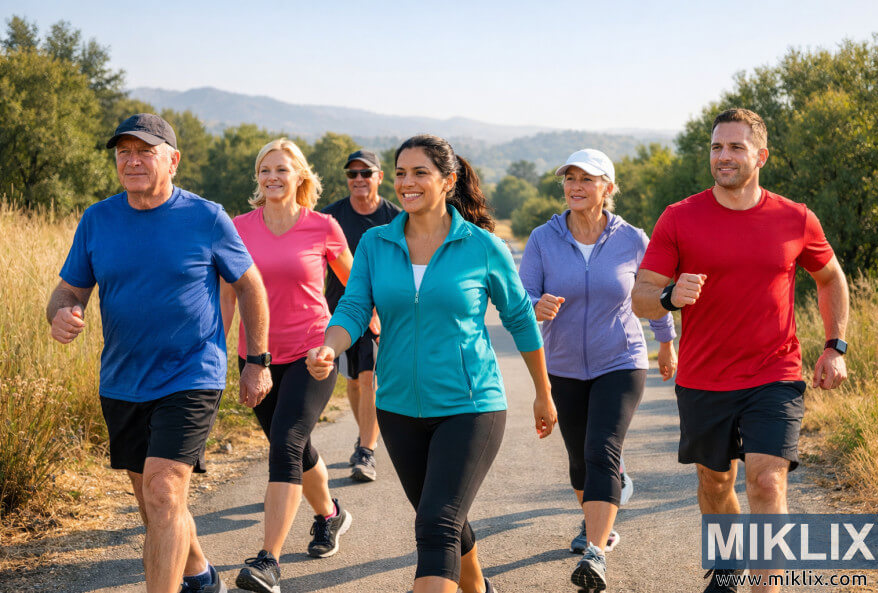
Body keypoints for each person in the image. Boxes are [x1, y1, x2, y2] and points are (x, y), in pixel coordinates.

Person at [306, 134, 558, 593]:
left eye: (420, 172)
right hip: (397, 407)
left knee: (436, 524)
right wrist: (330, 346)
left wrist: (543, 392)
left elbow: (521, 318)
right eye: (401, 173)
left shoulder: (482, 246)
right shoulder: (376, 243)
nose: (407, 182)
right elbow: (354, 308)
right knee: (442, 516)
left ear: (448, 181)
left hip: (470, 406)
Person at [48, 113, 272, 593]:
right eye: (123, 152)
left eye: (144, 152)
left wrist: (257, 361)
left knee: (164, 490)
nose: (131, 161)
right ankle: (199, 574)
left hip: (192, 373)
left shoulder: (206, 217)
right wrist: (62, 312)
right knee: (154, 503)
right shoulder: (97, 219)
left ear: (172, 160)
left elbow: (250, 286)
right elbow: (69, 289)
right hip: (123, 379)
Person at [631, 108, 849, 593]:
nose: (723, 156)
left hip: (775, 373)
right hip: (704, 377)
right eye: (716, 147)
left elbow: (830, 277)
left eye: (735, 147)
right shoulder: (679, 217)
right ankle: (729, 564)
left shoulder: (795, 217)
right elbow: (640, 297)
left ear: (761, 156)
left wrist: (835, 345)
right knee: (715, 483)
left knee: (767, 483)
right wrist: (669, 296)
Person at [519, 148, 677, 592]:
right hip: (563, 364)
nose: (575, 186)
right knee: (579, 461)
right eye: (569, 178)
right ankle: (597, 516)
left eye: (586, 179)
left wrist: (666, 343)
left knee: (601, 448)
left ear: (607, 187)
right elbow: (521, 295)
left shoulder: (632, 239)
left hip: (621, 360)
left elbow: (653, 292)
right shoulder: (543, 239)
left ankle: (596, 551)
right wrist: (535, 305)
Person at [220, 138, 354, 593]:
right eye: (265, 170)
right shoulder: (238, 228)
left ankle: (269, 562)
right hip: (257, 356)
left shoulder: (323, 226)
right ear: (257, 178)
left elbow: (356, 288)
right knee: (294, 445)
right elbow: (227, 294)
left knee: (287, 442)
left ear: (300, 176)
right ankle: (330, 515)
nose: (272, 177)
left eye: (281, 169)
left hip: (311, 354)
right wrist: (218, 350)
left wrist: (360, 329)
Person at [321, 149, 401, 482]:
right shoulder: (331, 217)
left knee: (369, 378)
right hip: (340, 310)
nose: (358, 179)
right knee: (353, 381)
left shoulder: (396, 218)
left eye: (365, 173)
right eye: (352, 174)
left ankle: (367, 450)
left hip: (380, 311)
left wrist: (382, 309)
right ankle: (364, 435)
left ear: (379, 177)